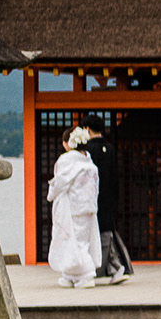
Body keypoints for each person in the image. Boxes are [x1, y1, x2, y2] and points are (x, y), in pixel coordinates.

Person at [47, 127, 102, 288]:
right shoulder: (89, 161)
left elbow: (60, 182)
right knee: (81, 240)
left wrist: (51, 193)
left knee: (74, 241)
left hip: (72, 207)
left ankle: (87, 274)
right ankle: (70, 275)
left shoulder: (67, 160)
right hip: (88, 206)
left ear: (68, 143)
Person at [82, 116, 133, 285]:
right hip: (108, 199)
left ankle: (105, 268)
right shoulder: (109, 148)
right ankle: (113, 268)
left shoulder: (87, 150)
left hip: (91, 199)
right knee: (106, 234)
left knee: (97, 236)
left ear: (87, 129)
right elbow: (114, 178)